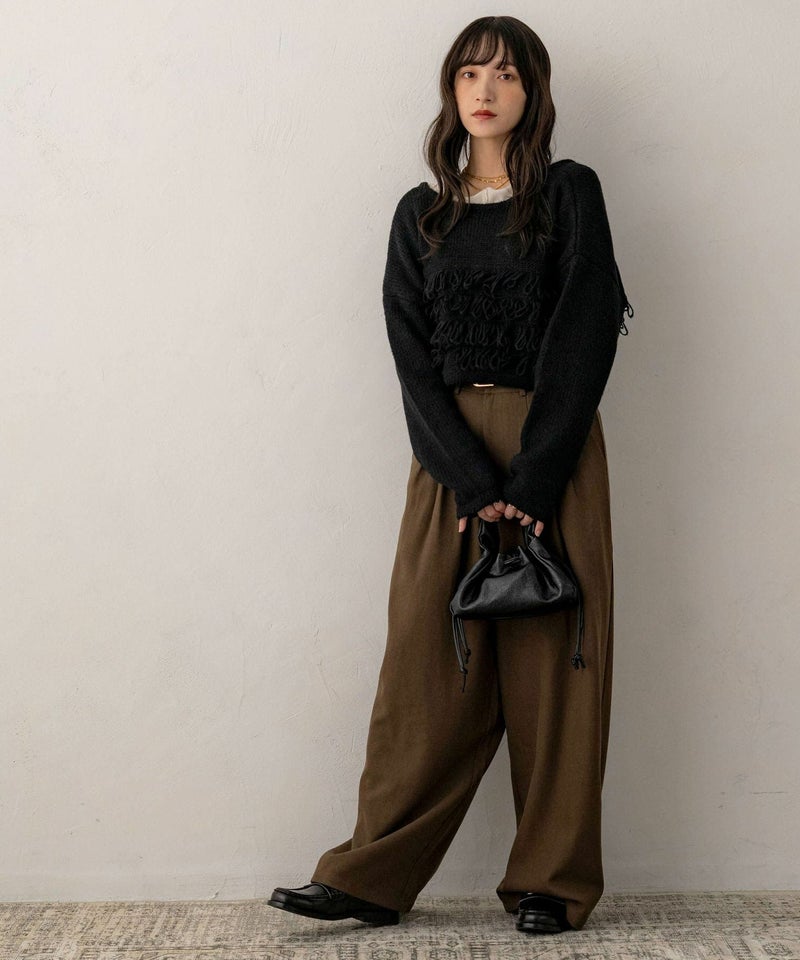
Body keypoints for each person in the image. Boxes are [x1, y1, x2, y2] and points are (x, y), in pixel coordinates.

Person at [268, 14, 633, 936]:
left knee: (557, 672)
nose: (485, 90)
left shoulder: (570, 194)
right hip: (449, 463)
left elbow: (586, 331)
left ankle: (551, 882)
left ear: (533, 92)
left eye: (505, 74)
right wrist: (473, 481)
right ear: (450, 90)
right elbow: (410, 354)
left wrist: (535, 480)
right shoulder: (420, 214)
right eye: (469, 73)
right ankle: (370, 875)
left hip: (554, 452)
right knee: (425, 670)